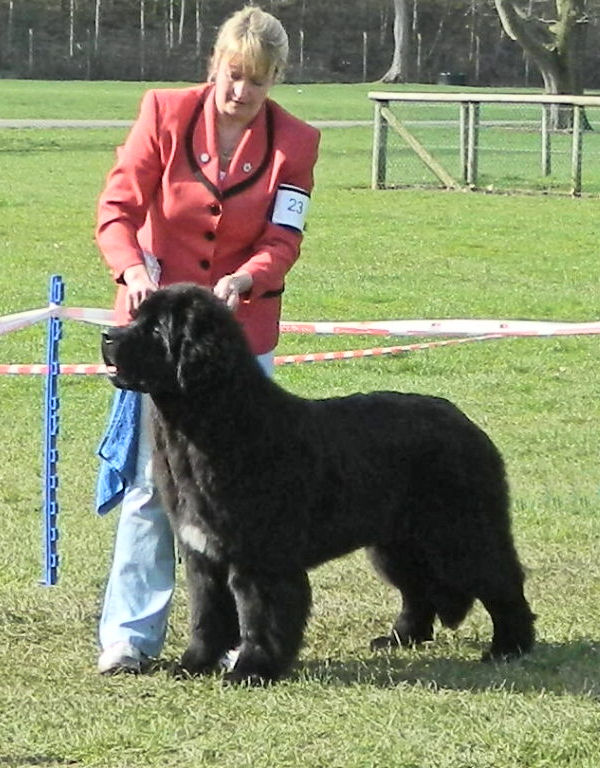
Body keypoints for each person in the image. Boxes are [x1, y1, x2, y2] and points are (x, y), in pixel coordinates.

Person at [94, 4, 320, 675]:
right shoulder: (164, 112)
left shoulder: (297, 143)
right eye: (231, 74)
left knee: (243, 497)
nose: (239, 92)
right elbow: (119, 206)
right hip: (158, 338)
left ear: (275, 78)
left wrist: (250, 275)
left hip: (239, 339)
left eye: (256, 80)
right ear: (214, 64)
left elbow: (285, 236)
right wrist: (131, 265)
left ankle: (237, 640)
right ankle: (129, 640)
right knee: (150, 486)